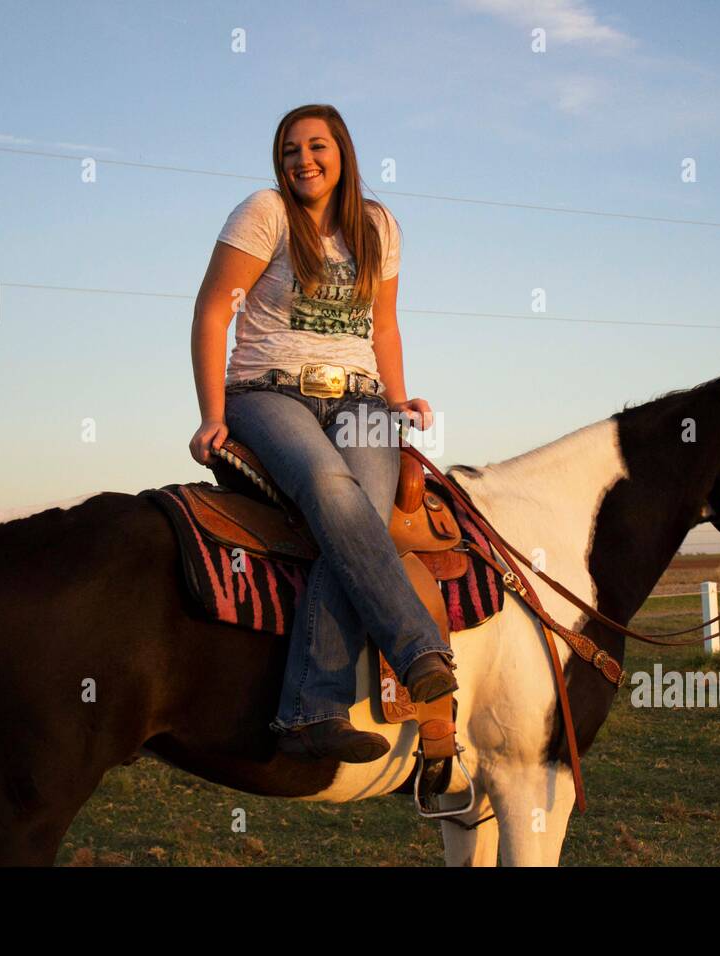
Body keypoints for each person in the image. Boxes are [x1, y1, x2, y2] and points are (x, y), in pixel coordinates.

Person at [188, 104, 456, 763]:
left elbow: (384, 326)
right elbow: (212, 311)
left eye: (315, 146)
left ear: (343, 152)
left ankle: (310, 713)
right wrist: (211, 411)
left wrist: (397, 398)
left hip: (360, 398)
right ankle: (418, 649)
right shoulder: (265, 213)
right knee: (332, 489)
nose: (302, 160)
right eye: (288, 150)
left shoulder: (377, 224)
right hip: (267, 391)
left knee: (356, 521)